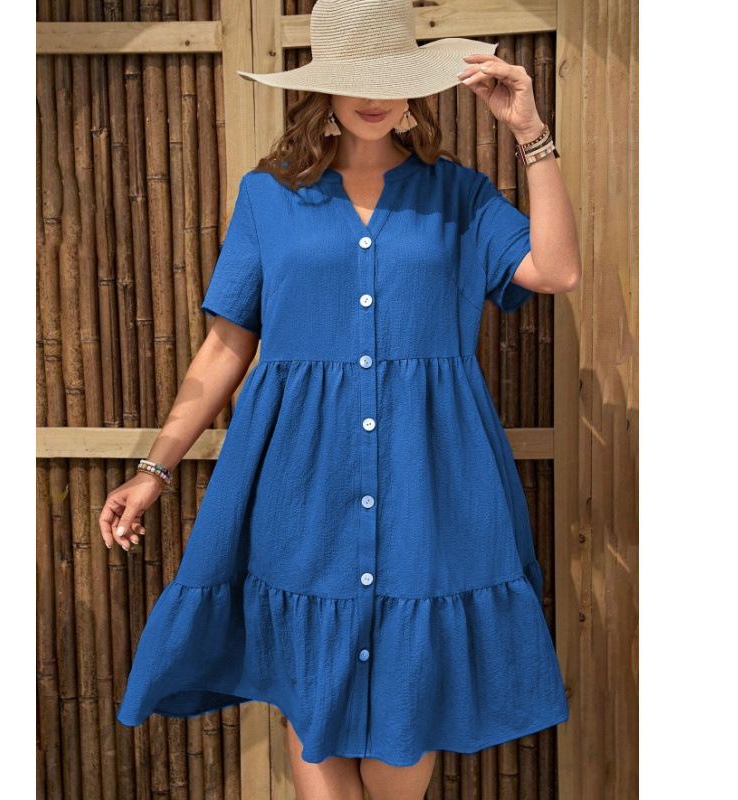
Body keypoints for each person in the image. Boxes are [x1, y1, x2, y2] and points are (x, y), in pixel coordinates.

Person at [98, 1, 581, 798]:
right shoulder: (268, 197)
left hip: (431, 480)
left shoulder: (459, 196)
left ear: (415, 87)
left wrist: (531, 134)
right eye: (354, 77)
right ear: (321, 84)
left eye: (391, 78)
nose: (373, 96)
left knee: (407, 706)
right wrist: (155, 468)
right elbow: (225, 347)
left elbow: (557, 270)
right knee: (312, 693)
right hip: (303, 481)